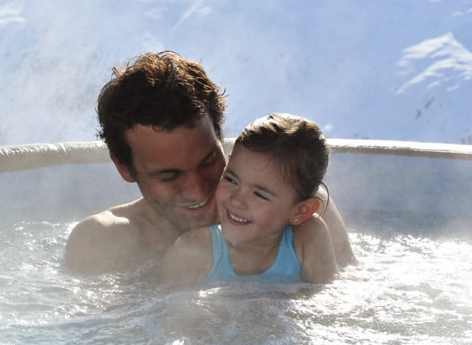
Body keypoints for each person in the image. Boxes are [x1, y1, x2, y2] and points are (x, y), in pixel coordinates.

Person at [64, 51, 355, 274]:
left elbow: (347, 302)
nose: (197, 190)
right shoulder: (104, 241)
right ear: (124, 167)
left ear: (220, 138)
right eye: (169, 176)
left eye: (208, 162)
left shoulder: (299, 211)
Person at [160, 113, 339, 287]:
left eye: (259, 194)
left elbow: (328, 301)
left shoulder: (307, 237)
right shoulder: (194, 250)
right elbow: (164, 309)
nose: (237, 200)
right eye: (231, 179)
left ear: (301, 211)